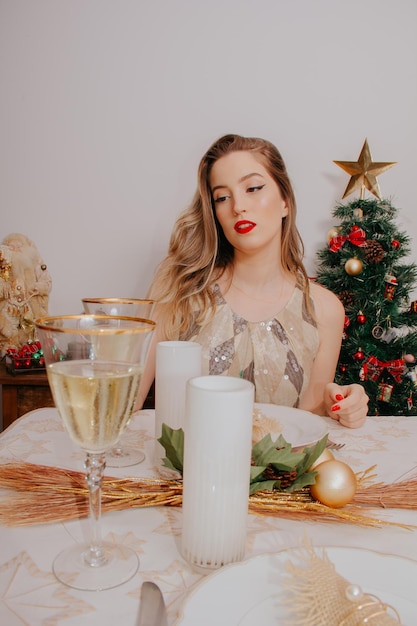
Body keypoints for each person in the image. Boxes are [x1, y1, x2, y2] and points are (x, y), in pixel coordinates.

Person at [138, 134, 368, 428]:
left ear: (285, 201)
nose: (238, 207)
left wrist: (345, 405)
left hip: (279, 473)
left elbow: (308, 425)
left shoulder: (323, 309)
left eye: (253, 188)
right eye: (222, 197)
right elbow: (126, 402)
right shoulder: (179, 287)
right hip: (188, 472)